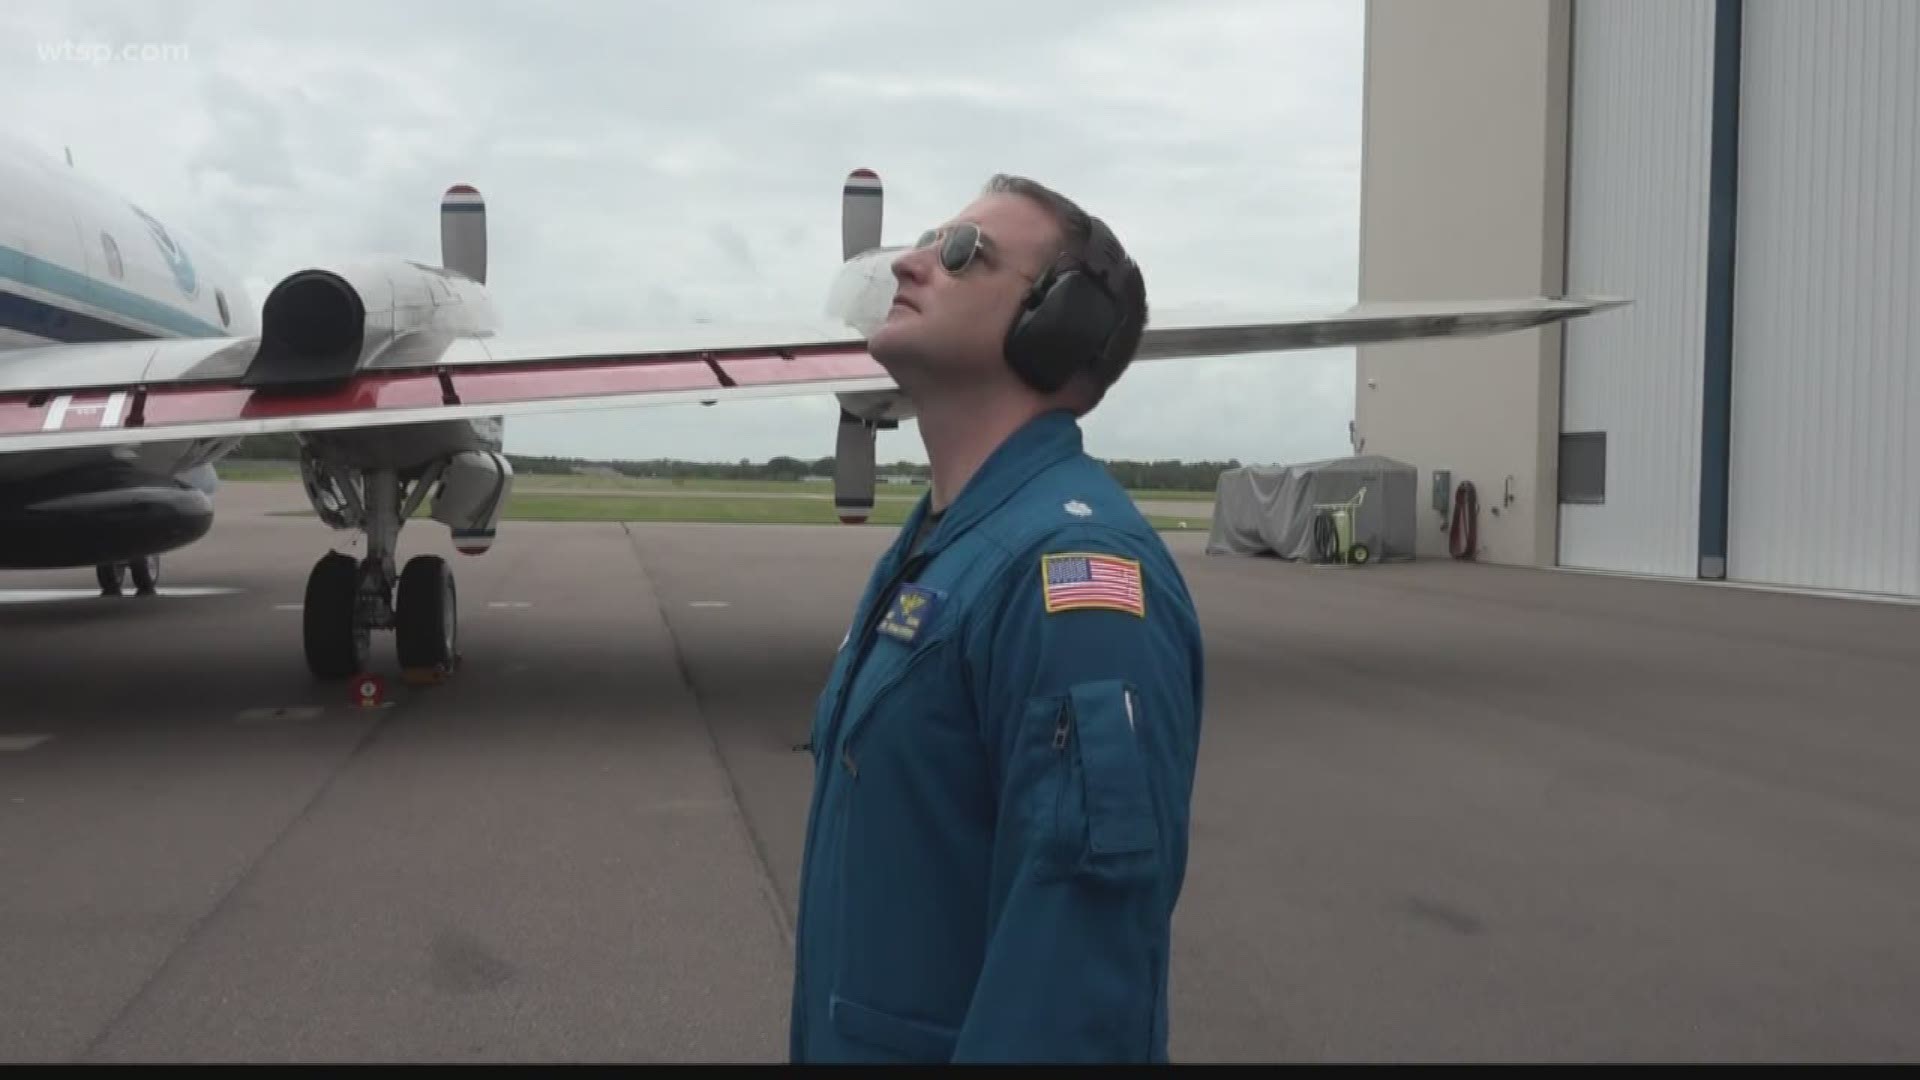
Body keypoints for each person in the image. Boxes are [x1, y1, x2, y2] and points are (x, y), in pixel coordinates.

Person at [788, 174, 1204, 1064]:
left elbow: (1077, 983)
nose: (904, 260)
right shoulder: (946, 545)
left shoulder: (1072, 579)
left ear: (1053, 326)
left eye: (960, 250)